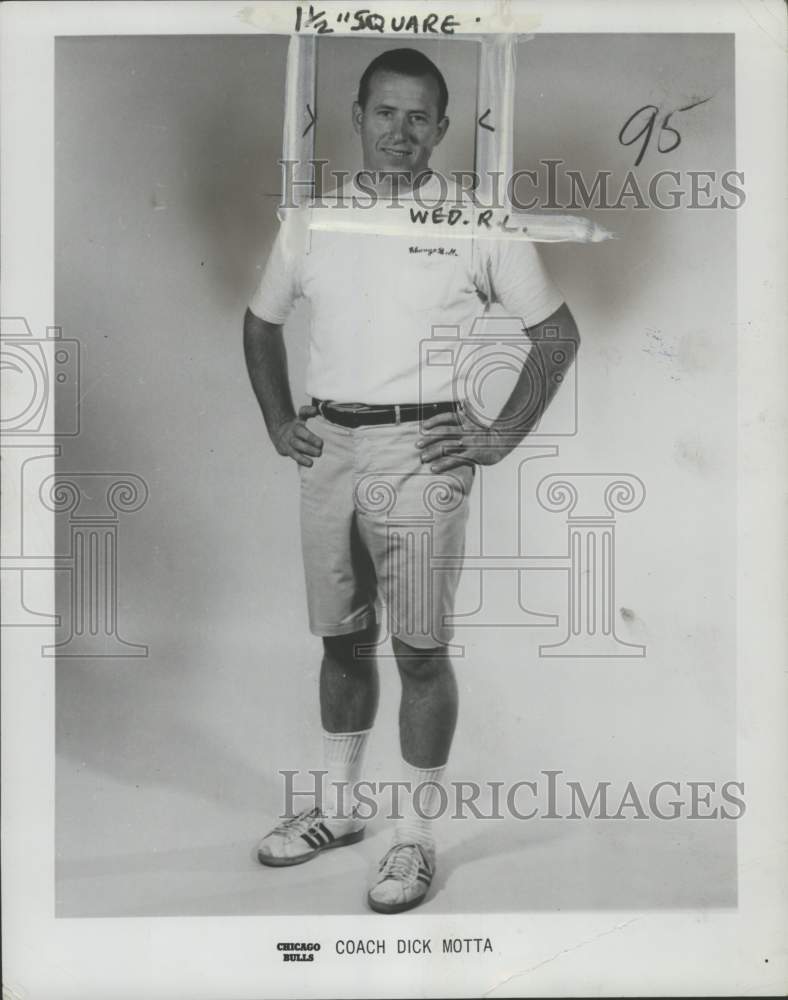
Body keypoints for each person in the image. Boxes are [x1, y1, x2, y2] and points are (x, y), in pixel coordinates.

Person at [243, 47, 579, 914]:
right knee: (340, 642)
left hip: (419, 455)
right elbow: (259, 322)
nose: (401, 131)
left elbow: (557, 337)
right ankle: (340, 811)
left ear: (443, 126)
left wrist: (497, 435)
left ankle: (415, 841)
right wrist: (282, 420)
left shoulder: (479, 222)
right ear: (355, 116)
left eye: (419, 116)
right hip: (330, 449)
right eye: (384, 112)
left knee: (420, 651)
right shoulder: (312, 221)